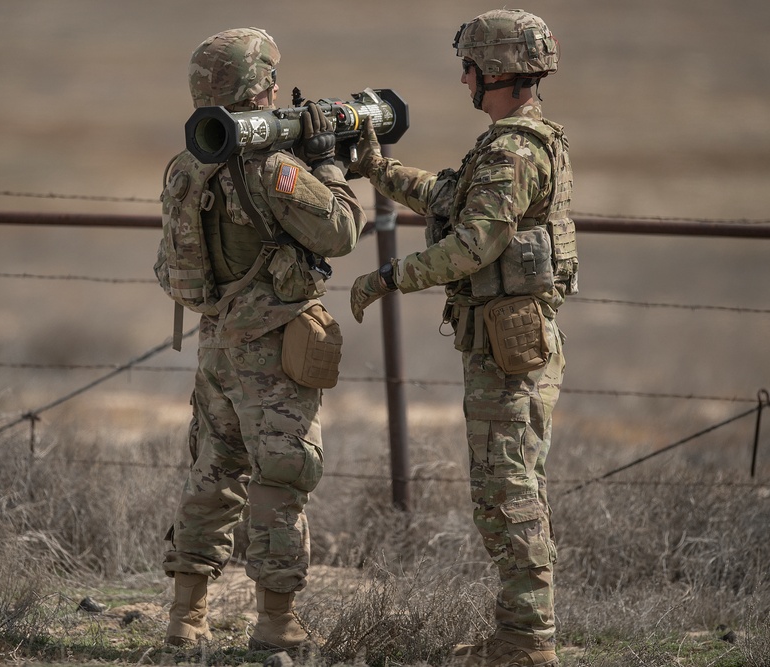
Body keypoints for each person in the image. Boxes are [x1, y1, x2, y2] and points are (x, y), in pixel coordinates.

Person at [347, 9, 577, 667]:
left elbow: (474, 243)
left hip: (510, 351)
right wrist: (378, 169)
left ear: (495, 71)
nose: (462, 78)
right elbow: (449, 196)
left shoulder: (511, 150)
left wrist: (389, 277)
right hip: (508, 343)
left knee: (508, 491)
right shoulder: (523, 142)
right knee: (504, 489)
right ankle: (518, 634)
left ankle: (529, 643)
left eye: (469, 67)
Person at [156, 27, 367, 652]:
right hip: (273, 346)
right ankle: (276, 623)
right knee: (281, 476)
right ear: (259, 88)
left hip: (217, 343)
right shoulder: (274, 168)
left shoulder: (190, 163)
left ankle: (184, 618)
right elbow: (340, 232)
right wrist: (331, 166)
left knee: (211, 473)